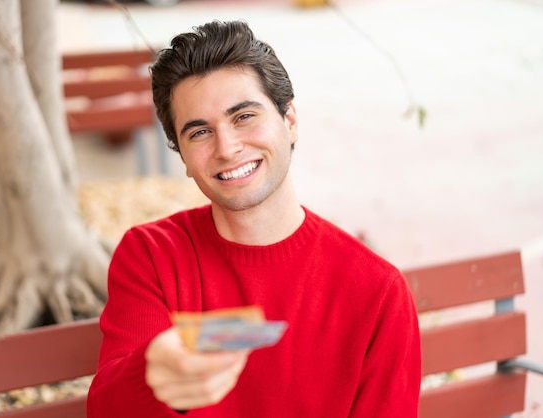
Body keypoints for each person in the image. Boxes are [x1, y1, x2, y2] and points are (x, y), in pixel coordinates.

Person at [87, 20, 421, 417]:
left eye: (244, 116)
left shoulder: (377, 291)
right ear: (183, 158)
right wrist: (151, 375)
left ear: (290, 121)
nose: (227, 148)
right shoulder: (152, 256)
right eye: (199, 133)